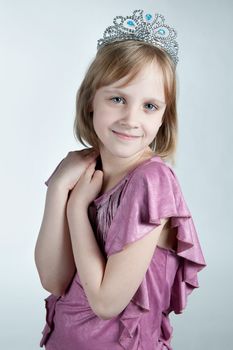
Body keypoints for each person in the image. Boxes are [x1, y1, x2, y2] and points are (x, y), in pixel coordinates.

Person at [34, 9, 207, 350]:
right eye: (117, 99)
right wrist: (58, 190)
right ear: (90, 102)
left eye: (150, 106)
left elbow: (106, 303)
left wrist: (76, 208)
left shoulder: (151, 182)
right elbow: (54, 281)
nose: (131, 119)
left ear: (163, 118)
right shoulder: (81, 170)